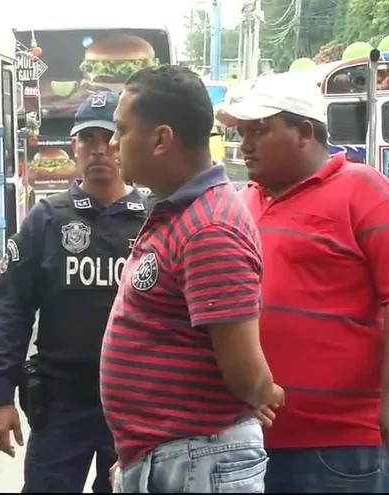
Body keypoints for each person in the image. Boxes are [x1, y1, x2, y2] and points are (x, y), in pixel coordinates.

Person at [216, 75, 389, 493]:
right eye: (242, 133)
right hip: (248, 439)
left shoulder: (367, 192)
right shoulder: (242, 202)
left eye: (258, 130)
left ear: (304, 132)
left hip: (339, 444)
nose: (244, 146)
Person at [101, 64, 283, 493]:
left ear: (162, 140)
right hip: (176, 457)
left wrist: (267, 393)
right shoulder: (181, 212)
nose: (111, 144)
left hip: (199, 460)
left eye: (121, 130)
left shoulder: (209, 228)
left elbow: (244, 371)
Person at [0, 91, 151, 493]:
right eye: (86, 139)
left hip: (135, 406)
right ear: (74, 147)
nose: (98, 150)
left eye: (109, 138)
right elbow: (12, 310)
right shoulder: (46, 220)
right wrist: (1, 395)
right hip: (61, 405)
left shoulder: (154, 218)